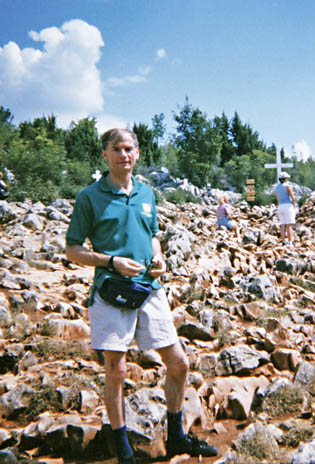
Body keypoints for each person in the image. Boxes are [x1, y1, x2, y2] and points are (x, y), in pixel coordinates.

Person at [65, 128, 217, 464]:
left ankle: (177, 438)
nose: (124, 155)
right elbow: (73, 249)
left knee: (179, 363)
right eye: (117, 149)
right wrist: (111, 261)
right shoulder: (89, 197)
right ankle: (122, 450)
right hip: (111, 292)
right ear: (105, 154)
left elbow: (152, 235)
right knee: (116, 370)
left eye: (129, 149)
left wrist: (158, 255)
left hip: (150, 289)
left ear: (137, 153)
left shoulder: (147, 194)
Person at [274, 172, 297, 245]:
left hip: (280, 206)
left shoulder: (276, 188)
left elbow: (277, 199)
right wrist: (294, 205)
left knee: (282, 225)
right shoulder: (287, 186)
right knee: (288, 225)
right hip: (288, 205)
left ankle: (283, 241)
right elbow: (292, 197)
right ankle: (290, 241)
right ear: (285, 179)